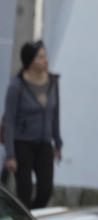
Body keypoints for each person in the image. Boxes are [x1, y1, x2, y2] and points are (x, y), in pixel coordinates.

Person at [3, 40, 62, 209]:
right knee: (24, 190)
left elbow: (55, 114)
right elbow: (10, 121)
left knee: (46, 189)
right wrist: (10, 154)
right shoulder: (17, 86)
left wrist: (57, 143)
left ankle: (32, 217)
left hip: (44, 143)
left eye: (45, 56)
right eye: (40, 57)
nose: (45, 60)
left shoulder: (52, 82)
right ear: (30, 61)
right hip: (23, 144)